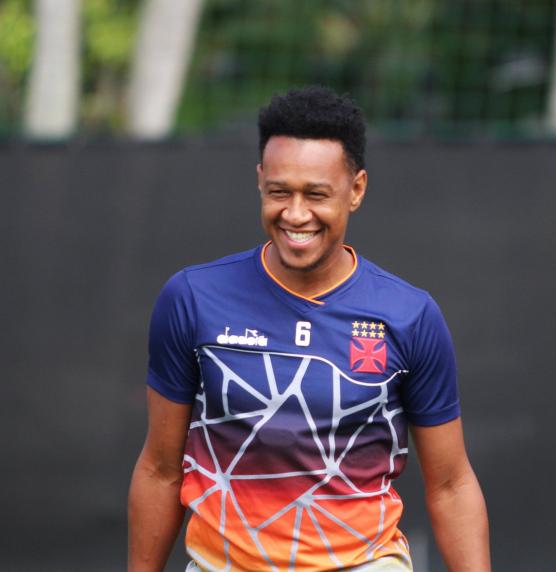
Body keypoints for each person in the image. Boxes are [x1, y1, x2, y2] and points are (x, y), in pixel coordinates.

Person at [128, 86, 490, 572]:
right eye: (280, 192)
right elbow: (159, 469)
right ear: (260, 180)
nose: (296, 214)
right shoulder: (192, 298)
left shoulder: (410, 316)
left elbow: (451, 485)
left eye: (316, 195)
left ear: (356, 190)